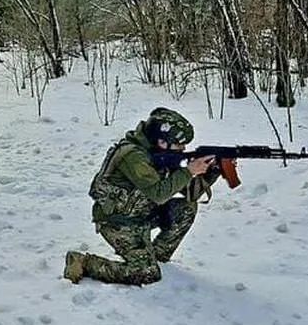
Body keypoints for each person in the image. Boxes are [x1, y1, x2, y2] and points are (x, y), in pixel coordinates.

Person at [63, 107, 220, 286]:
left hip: (143, 213)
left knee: (187, 207)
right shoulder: (133, 155)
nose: (183, 149)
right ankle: (84, 262)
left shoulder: (161, 154)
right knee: (146, 274)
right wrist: (189, 171)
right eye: (179, 144)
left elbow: (192, 193)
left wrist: (213, 170)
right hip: (118, 221)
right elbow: (159, 194)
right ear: (162, 141)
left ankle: (156, 257)